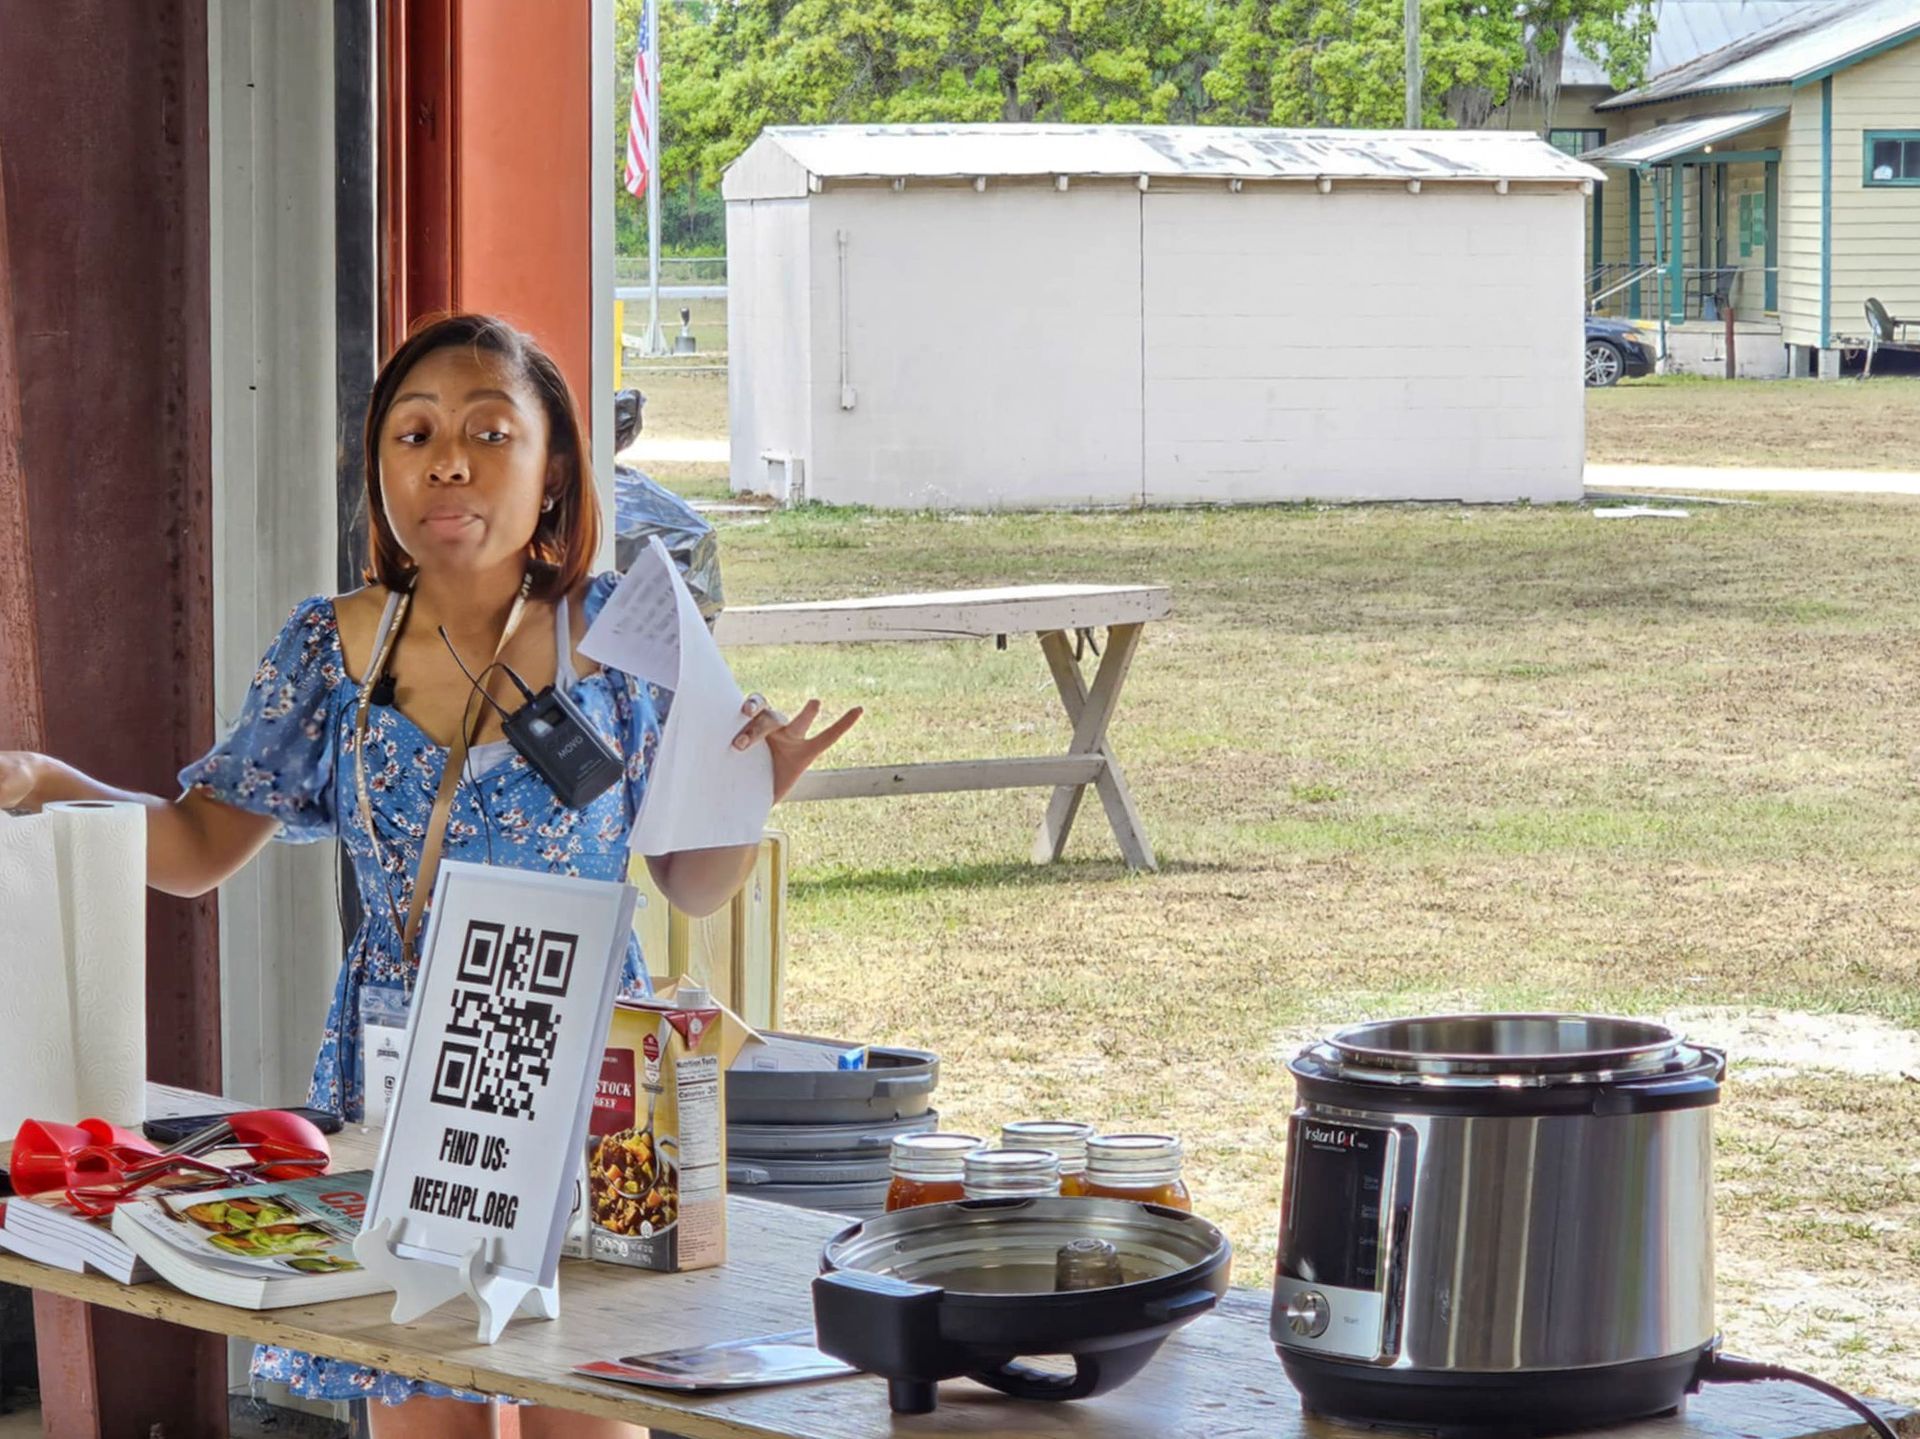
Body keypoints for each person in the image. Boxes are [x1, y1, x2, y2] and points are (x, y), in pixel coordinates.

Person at [0, 312, 860, 1438]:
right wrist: (45, 778)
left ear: (555, 471)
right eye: (413, 433)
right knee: (422, 1404)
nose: (447, 459)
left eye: (490, 431)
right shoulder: (331, 645)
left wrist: (755, 794)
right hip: (403, 1079)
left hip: (590, 1075)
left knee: (595, 1401)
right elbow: (200, 846)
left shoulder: (627, 634)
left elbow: (691, 881)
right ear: (381, 470)